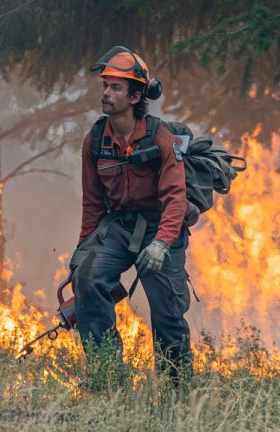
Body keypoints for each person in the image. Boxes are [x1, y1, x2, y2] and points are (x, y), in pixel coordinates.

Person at [70, 46, 194, 384]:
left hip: (160, 227)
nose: (106, 93)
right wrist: (83, 248)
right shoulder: (95, 141)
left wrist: (162, 243)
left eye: (115, 87)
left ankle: (176, 391)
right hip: (119, 226)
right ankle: (107, 377)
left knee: (167, 310)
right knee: (87, 278)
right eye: (104, 86)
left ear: (136, 95)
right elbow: (93, 202)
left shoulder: (161, 139)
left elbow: (175, 199)